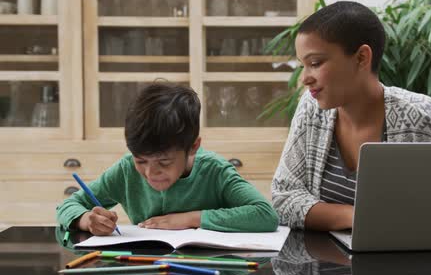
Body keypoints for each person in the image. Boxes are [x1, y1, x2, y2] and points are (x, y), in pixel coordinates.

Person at [272, 1, 431, 231]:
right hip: (324, 263)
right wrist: (356, 217)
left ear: (362, 58)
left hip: (412, 264)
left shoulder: (424, 118)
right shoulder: (310, 108)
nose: (305, 78)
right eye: (302, 65)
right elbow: (283, 197)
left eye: (315, 63)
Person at [56, 83, 278, 235]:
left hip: (204, 270)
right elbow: (68, 205)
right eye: (141, 161)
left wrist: (190, 219)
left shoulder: (215, 171)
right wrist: (86, 220)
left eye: (164, 162)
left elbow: (265, 215)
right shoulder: (126, 170)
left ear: (193, 147)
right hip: (142, 267)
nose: (151, 173)